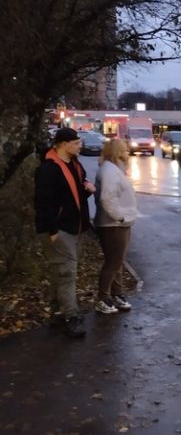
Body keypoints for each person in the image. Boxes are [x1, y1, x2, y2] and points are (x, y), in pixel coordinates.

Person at [34, 127, 96, 338]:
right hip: (59, 230)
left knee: (59, 272)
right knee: (67, 272)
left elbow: (75, 197)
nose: (81, 146)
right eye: (77, 143)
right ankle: (71, 317)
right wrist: (52, 230)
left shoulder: (75, 165)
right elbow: (43, 203)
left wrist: (86, 188)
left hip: (74, 227)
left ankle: (57, 312)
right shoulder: (48, 169)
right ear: (64, 145)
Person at [94, 139, 138, 314]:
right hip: (113, 224)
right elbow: (107, 198)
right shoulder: (109, 171)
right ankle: (103, 298)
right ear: (117, 152)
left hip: (118, 223)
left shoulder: (114, 169)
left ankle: (117, 294)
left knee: (118, 261)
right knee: (113, 262)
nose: (127, 153)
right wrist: (120, 217)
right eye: (125, 150)